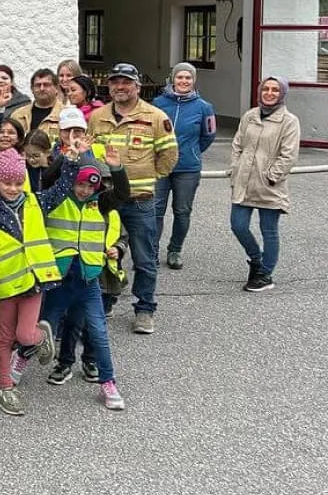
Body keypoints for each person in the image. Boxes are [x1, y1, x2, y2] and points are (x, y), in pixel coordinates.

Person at [0, 148, 71, 416]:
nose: (13, 188)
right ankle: (4, 388)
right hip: (6, 285)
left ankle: (41, 335)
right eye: (7, 182)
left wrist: (72, 161)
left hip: (35, 280)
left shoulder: (36, 202)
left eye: (18, 182)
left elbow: (62, 189)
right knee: (3, 338)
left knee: (24, 336)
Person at [87, 62, 177, 335]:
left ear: (137, 86)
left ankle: (145, 308)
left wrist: (150, 179)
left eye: (126, 82)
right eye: (115, 82)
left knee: (144, 257)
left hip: (139, 200)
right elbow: (91, 153)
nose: (120, 87)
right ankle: (107, 300)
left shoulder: (155, 117)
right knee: (105, 253)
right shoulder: (98, 116)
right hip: (107, 201)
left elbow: (169, 156)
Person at [40, 147, 129, 411]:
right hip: (60, 278)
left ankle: (108, 383)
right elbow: (47, 178)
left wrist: (117, 168)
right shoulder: (57, 198)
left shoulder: (100, 202)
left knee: (99, 333)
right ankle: (19, 363)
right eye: (80, 185)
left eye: (90, 187)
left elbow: (122, 195)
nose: (84, 191)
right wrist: (66, 159)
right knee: (44, 328)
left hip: (89, 279)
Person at [230, 76, 299, 293]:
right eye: (266, 89)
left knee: (268, 230)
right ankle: (256, 260)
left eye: (275, 90)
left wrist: (272, 176)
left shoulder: (289, 121)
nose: (269, 93)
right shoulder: (250, 116)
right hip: (244, 181)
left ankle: (265, 274)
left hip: (269, 185)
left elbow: (288, 155)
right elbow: (237, 144)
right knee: (238, 225)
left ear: (282, 94)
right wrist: (235, 169)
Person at [152, 62, 216, 270]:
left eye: (188, 78)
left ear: (194, 81)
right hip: (160, 166)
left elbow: (208, 135)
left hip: (187, 168)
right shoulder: (158, 103)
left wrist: (193, 152)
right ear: (173, 79)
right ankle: (150, 251)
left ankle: (175, 250)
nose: (184, 81)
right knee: (155, 210)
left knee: (182, 211)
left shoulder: (204, 107)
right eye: (180, 77)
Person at [10, 69, 64, 144]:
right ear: (32, 89)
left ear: (56, 88)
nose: (42, 89)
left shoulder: (66, 114)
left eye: (46, 85)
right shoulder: (18, 115)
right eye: (38, 85)